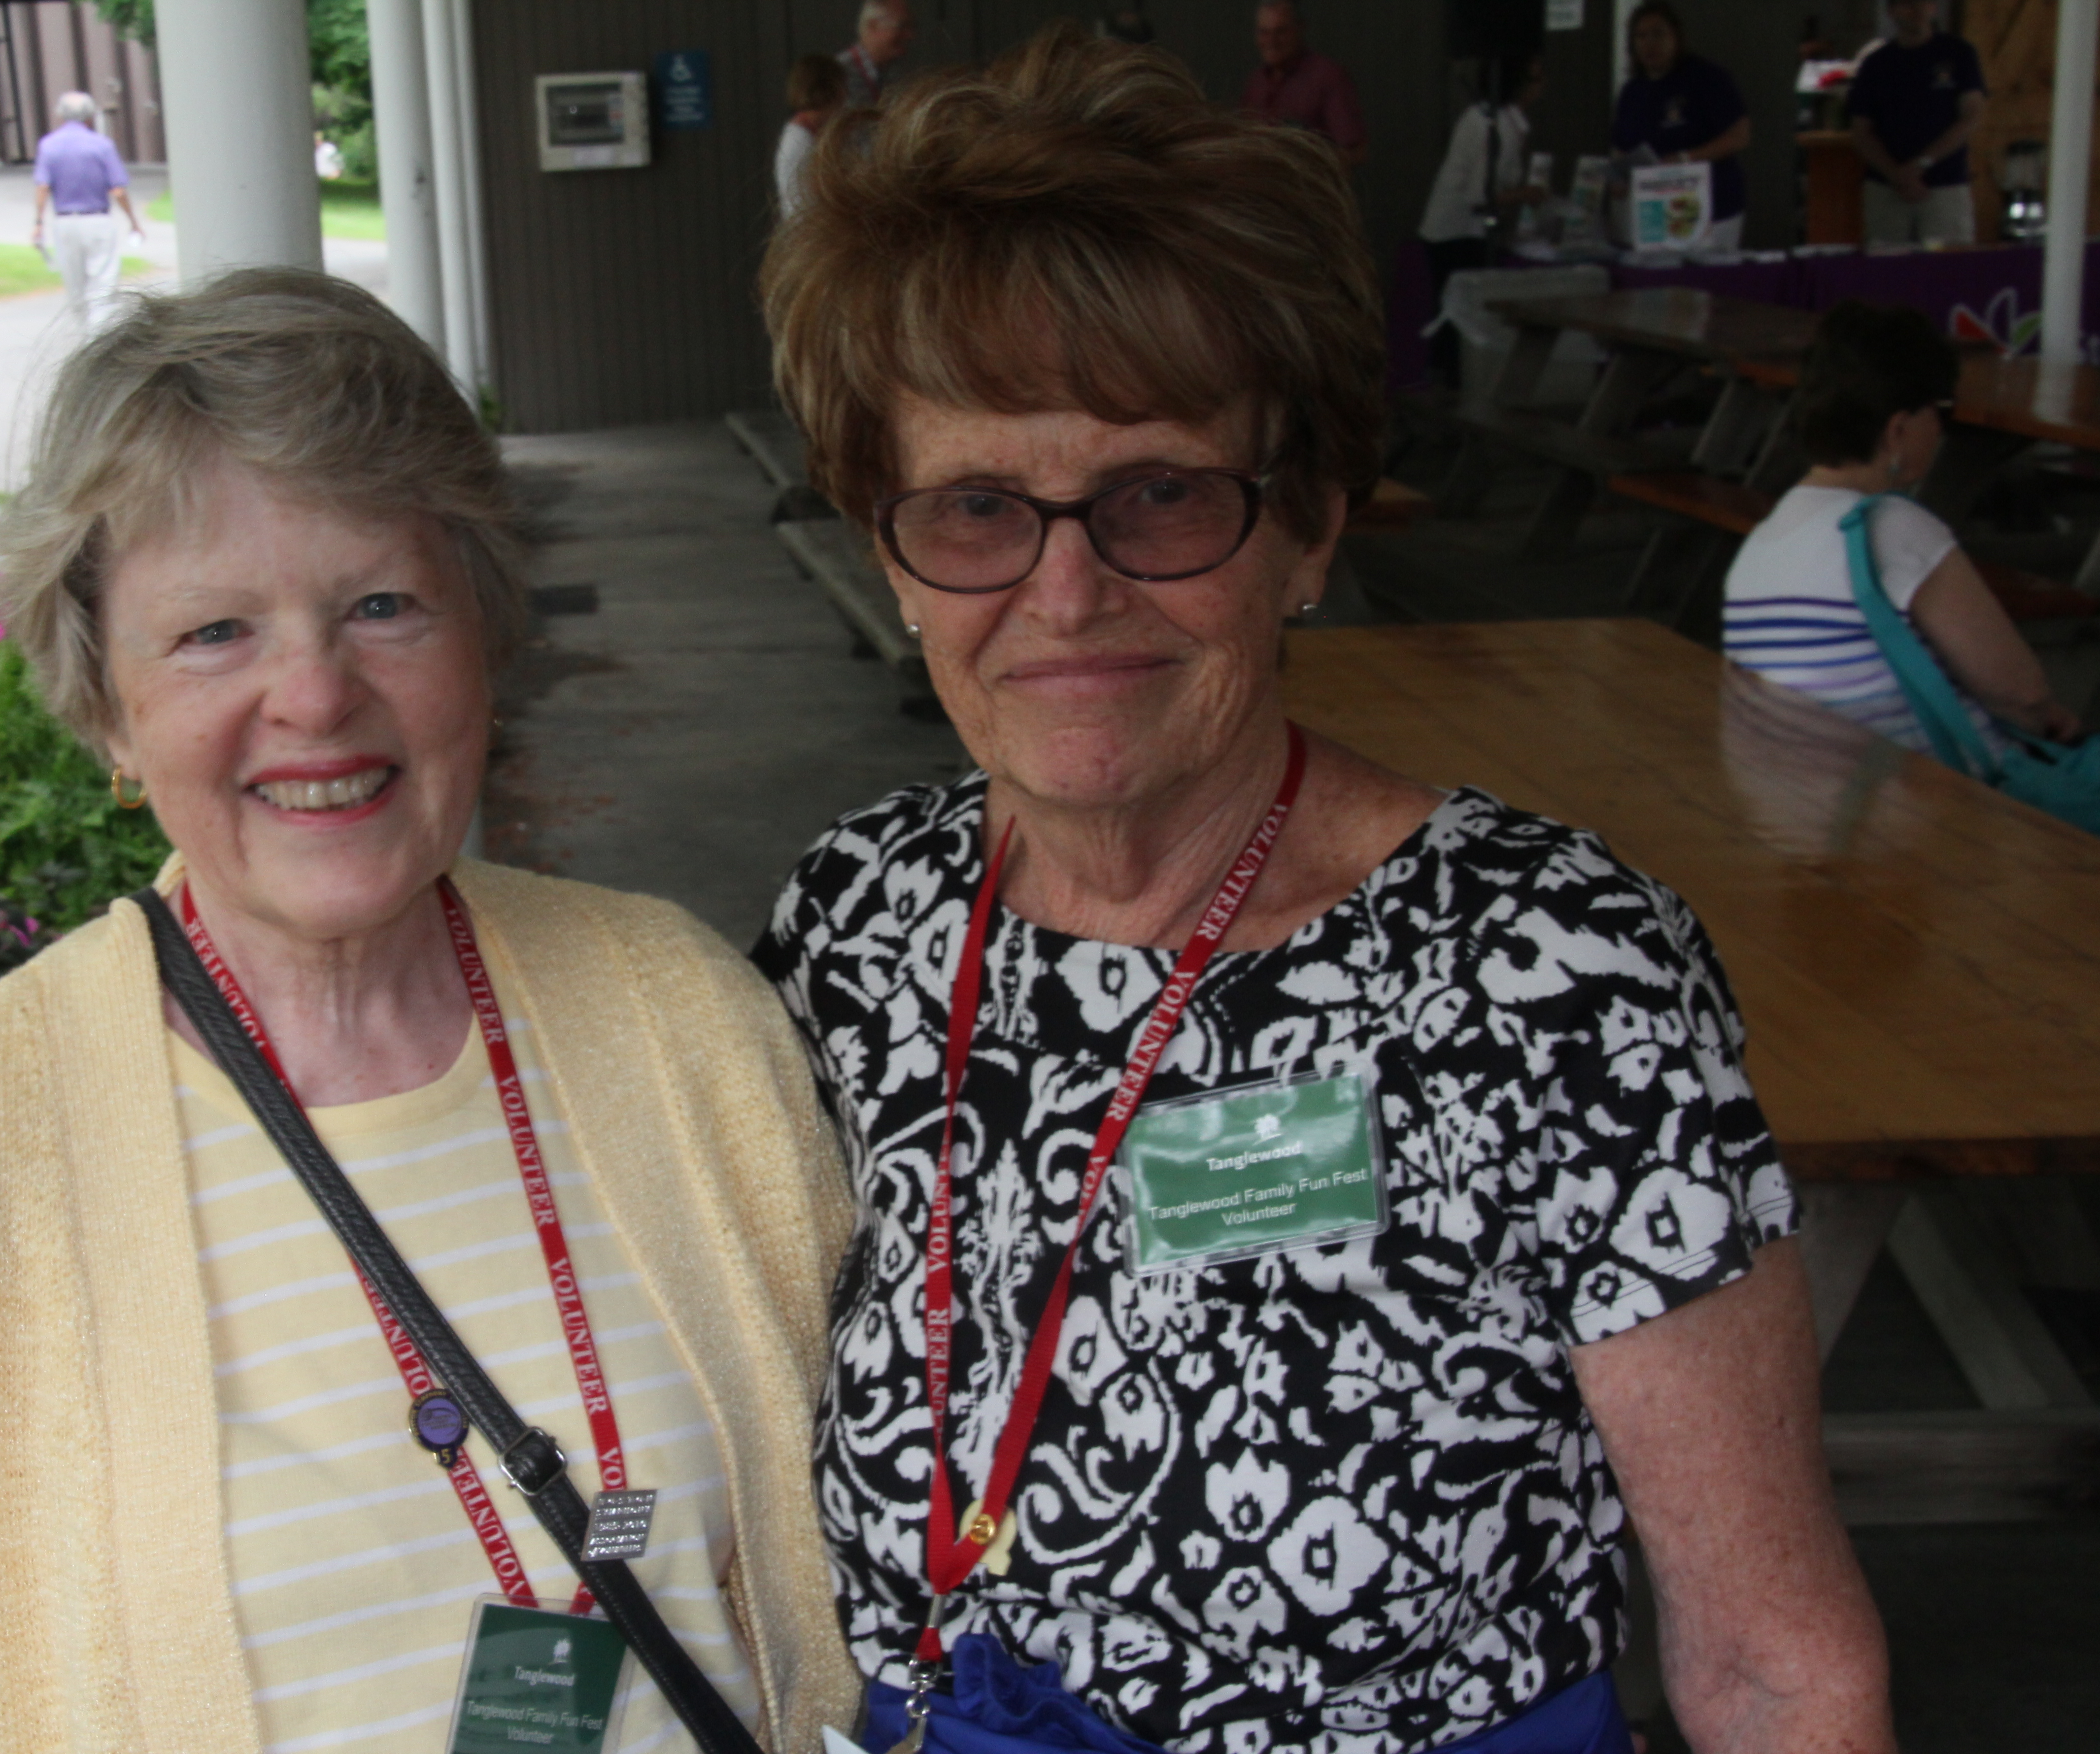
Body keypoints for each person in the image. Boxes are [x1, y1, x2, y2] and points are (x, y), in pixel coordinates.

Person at [758, 25, 1893, 1752]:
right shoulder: (857, 920)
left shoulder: (1549, 971)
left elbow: (1768, 1660)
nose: (1067, 595)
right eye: (980, 507)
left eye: (1158, 494)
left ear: (1306, 528)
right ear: (891, 555)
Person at [0, 269, 861, 1754]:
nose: (314, 696)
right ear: (107, 706)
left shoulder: (684, 1018)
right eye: (213, 634)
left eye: (382, 604)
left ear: (484, 637)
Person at [1725, 301, 2078, 754]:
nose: (1944, 429)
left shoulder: (1765, 537)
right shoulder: (1890, 528)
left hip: (1802, 788)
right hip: (1920, 806)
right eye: (1942, 410)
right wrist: (2049, 719)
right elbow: (2021, 694)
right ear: (1898, 429)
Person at [1418, 55, 1549, 389]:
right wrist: (1525, 194)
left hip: (1470, 230)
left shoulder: (1507, 122)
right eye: (1535, 80)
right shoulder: (1485, 125)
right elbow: (1478, 197)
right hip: (1454, 232)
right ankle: (1451, 387)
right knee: (1456, 316)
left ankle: (1459, 382)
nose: (1540, 88)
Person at [1611, 1, 1750, 251]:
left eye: (1658, 34)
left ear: (1676, 38)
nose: (1649, 44)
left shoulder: (1706, 78)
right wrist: (1618, 179)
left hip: (1713, 205)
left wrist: (1687, 158)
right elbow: (1622, 148)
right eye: (1641, 37)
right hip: (1656, 211)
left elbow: (1740, 136)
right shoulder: (1632, 92)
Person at [1848, 0, 1986, 246]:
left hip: (1944, 184)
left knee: (1949, 272)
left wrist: (1920, 165)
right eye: (1907, 4)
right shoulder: (1876, 65)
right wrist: (1897, 175)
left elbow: (1971, 116)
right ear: (1891, 12)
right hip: (1887, 187)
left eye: (1924, 2)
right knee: (1887, 271)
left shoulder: (1959, 54)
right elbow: (1861, 131)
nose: (1917, 9)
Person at [30, 91, 141, 331]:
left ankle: (84, 337)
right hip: (98, 220)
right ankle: (98, 338)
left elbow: (43, 188)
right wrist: (133, 222)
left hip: (65, 223)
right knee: (103, 286)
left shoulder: (48, 146)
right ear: (90, 117)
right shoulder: (102, 146)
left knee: (75, 288)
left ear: (61, 115)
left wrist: (38, 222)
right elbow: (119, 191)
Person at [1241, 1, 1365, 168]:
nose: (1272, 41)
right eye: (1264, 32)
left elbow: (1357, 152)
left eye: (1281, 31)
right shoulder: (1257, 82)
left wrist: (1305, 163)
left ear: (1300, 29)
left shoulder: (1326, 77)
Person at [776, 53, 846, 219]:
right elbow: (806, 204)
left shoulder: (815, 135)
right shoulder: (800, 141)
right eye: (843, 87)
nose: (846, 95)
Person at [839, 0, 916, 107]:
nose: (910, 35)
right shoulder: (839, 76)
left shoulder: (897, 76)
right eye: (902, 26)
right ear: (873, 26)